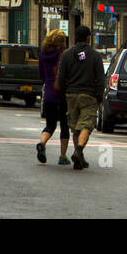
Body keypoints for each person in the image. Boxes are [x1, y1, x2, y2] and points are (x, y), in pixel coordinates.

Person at [56, 25, 104, 171]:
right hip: (88, 95)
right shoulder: (95, 55)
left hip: (71, 95)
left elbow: (61, 76)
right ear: (88, 38)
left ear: (75, 37)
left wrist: (65, 93)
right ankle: (79, 150)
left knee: (75, 127)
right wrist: (99, 95)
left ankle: (79, 158)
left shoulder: (66, 54)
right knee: (85, 126)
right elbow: (100, 78)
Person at [36, 28, 71, 166]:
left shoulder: (43, 55)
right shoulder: (63, 55)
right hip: (62, 94)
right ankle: (62, 156)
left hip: (49, 93)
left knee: (50, 125)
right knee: (64, 125)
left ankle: (42, 142)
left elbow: (41, 76)